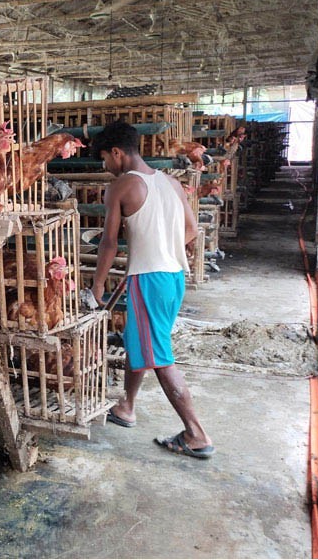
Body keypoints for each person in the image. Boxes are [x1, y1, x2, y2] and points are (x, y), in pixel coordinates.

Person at [90, 121, 215, 459]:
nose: (105, 166)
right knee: (140, 339)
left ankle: (195, 434)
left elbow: (109, 243)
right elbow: (191, 229)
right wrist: (162, 248)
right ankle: (127, 406)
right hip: (173, 276)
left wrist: (98, 283)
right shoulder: (170, 182)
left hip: (148, 280)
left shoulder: (120, 187)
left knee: (159, 356)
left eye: (104, 158)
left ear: (116, 153)